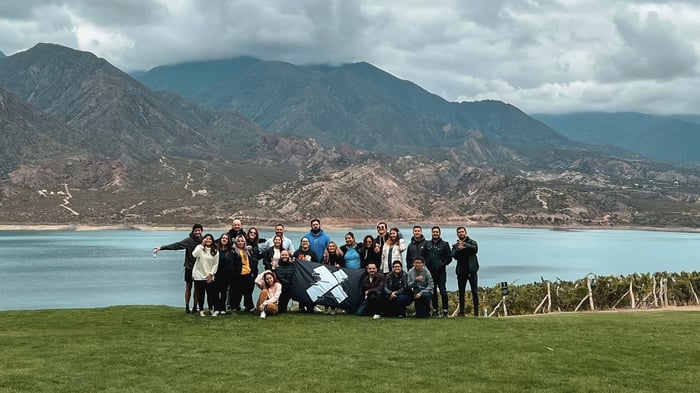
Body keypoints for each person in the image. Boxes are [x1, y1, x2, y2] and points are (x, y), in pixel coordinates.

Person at [153, 223, 203, 314]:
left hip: (199, 268)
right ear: (193, 231)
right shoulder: (188, 240)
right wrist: (162, 248)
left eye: (199, 230)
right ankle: (187, 306)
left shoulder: (203, 241)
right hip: (189, 267)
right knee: (188, 286)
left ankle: (195, 306)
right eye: (196, 230)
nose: (197, 232)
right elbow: (176, 246)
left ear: (201, 231)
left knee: (197, 288)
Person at [452, 226, 480, 317]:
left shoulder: (472, 242)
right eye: (459, 232)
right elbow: (454, 255)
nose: (461, 233)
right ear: (457, 234)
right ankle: (462, 312)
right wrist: (459, 249)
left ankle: (476, 313)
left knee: (474, 292)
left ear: (466, 232)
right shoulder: (455, 246)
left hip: (472, 271)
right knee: (461, 292)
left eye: (462, 232)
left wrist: (464, 245)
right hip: (461, 271)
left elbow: (474, 249)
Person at [425, 226, 452, 317]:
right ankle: (435, 310)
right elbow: (423, 256)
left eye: (437, 232)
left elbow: (449, 258)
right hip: (430, 272)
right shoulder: (427, 244)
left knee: (443, 291)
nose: (435, 233)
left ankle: (445, 311)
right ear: (431, 233)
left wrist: (442, 264)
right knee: (433, 292)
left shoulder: (444, 244)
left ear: (439, 233)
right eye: (434, 232)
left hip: (441, 272)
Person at [191, 233, 219, 316]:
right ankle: (201, 310)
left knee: (210, 294)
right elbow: (194, 255)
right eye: (206, 239)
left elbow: (215, 264)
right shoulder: (199, 248)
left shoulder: (215, 250)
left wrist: (211, 274)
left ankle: (211, 309)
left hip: (209, 275)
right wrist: (202, 246)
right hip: (199, 274)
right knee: (200, 294)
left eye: (210, 239)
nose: (208, 240)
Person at [214, 233, 241, 315]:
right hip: (216, 273)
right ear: (220, 239)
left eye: (226, 238)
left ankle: (222, 308)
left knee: (223, 292)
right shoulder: (216, 249)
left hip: (226, 274)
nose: (224, 240)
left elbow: (236, 261)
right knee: (216, 291)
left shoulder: (231, 250)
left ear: (228, 240)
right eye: (223, 238)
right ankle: (216, 308)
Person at [293, 237, 319, 313]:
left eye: (306, 241)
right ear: (301, 243)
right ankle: (301, 307)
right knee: (301, 290)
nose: (305, 243)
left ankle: (311, 306)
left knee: (310, 290)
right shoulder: (297, 253)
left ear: (309, 243)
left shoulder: (312, 253)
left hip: (309, 275)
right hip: (300, 276)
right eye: (303, 241)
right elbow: (293, 262)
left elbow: (316, 264)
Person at [231, 235, 257, 313]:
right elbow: (232, 264)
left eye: (242, 241)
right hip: (238, 274)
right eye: (238, 241)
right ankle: (234, 307)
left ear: (244, 242)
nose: (240, 242)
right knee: (236, 292)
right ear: (236, 242)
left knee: (248, 293)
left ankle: (249, 307)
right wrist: (235, 273)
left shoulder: (248, 251)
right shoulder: (233, 251)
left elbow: (251, 262)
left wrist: (253, 272)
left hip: (248, 274)